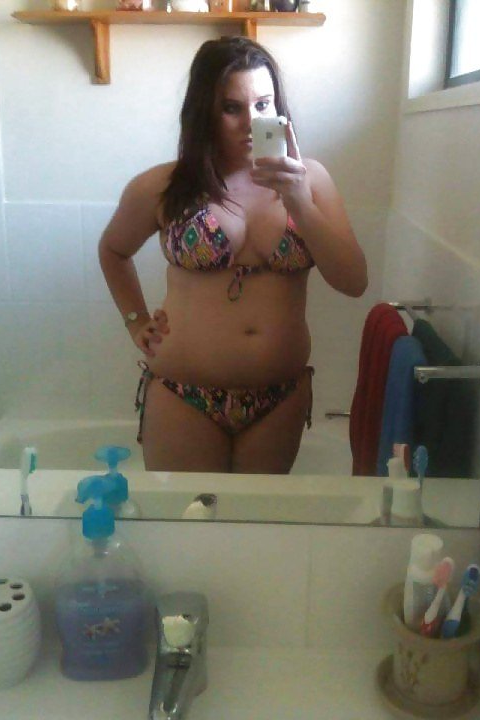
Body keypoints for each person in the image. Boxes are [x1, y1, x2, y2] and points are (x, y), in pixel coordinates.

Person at [98, 36, 367, 474]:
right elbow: (113, 250)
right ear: (203, 110)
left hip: (278, 399)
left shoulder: (312, 179)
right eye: (231, 108)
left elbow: (353, 282)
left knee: (256, 518)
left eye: (263, 104)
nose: (251, 122)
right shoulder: (162, 187)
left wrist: (299, 200)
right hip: (184, 395)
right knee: (189, 516)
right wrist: (135, 321)